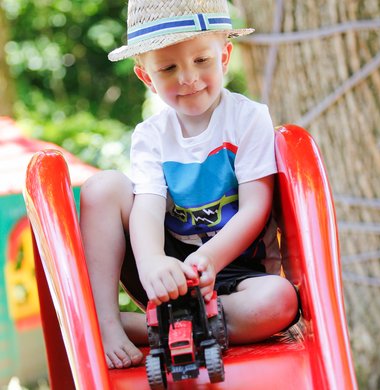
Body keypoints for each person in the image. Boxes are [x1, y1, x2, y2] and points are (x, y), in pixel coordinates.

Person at [80, 0, 299, 370]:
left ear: (225, 56)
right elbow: (147, 206)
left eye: (202, 61)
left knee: (280, 300)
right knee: (102, 187)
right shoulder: (151, 135)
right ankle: (104, 322)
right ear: (146, 77)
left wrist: (210, 259)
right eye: (168, 67)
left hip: (234, 269)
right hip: (168, 268)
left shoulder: (248, 118)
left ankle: (141, 327)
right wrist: (152, 264)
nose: (188, 78)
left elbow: (255, 207)